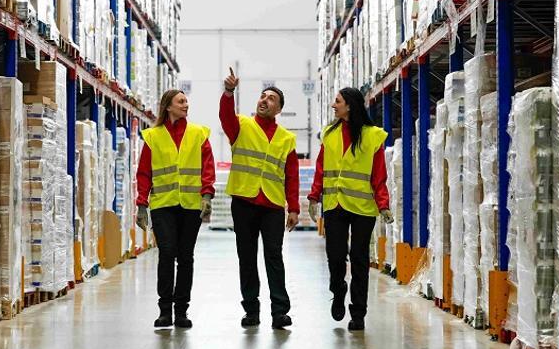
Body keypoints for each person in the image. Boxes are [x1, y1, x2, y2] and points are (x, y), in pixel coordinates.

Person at [307, 87, 394, 331]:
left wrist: (383, 204)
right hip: (335, 204)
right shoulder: (329, 135)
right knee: (335, 255)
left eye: (338, 102)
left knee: (358, 259)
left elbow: (379, 175)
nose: (334, 106)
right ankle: (338, 290)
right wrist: (314, 197)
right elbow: (321, 168)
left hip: (363, 207)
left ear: (350, 106)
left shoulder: (372, 136)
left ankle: (358, 312)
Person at [221, 68, 301, 330]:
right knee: (247, 257)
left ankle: (279, 312)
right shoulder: (241, 125)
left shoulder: (286, 139)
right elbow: (225, 116)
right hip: (244, 201)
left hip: (272, 206)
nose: (264, 100)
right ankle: (251, 310)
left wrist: (294, 208)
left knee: (273, 257)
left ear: (278, 109)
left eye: (271, 99)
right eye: (262, 96)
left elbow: (291, 175)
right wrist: (229, 92)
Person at [135, 89, 215, 329]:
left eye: (186, 101)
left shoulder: (199, 134)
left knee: (185, 257)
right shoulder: (153, 136)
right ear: (168, 106)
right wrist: (141, 204)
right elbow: (144, 172)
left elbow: (207, 167)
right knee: (167, 253)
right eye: (181, 101)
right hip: (163, 204)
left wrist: (207, 195)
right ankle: (164, 311)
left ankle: (181, 311)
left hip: (191, 206)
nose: (186, 105)